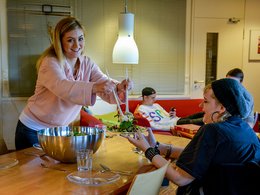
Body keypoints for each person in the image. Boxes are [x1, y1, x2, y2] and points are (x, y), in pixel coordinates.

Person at [122, 78, 260, 193]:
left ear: (222, 108)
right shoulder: (245, 130)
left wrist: (148, 150)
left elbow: (180, 178)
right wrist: (159, 147)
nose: (201, 105)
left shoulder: (213, 130)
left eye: (205, 101)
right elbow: (200, 155)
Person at [15, 17, 132, 150]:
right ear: (59, 42)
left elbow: (103, 82)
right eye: (70, 40)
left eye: (80, 39)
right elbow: (63, 87)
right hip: (32, 129)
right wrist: (95, 87)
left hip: (57, 132)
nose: (77, 45)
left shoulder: (87, 63)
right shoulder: (50, 62)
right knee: (34, 171)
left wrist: (119, 88)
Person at [134, 87, 204, 131]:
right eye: (152, 98)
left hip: (176, 120)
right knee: (196, 121)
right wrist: (170, 127)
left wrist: (172, 115)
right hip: (174, 124)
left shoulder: (156, 105)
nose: (155, 100)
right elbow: (152, 126)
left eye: (155, 97)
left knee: (199, 114)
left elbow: (167, 116)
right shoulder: (141, 109)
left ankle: (212, 115)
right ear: (145, 97)